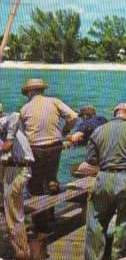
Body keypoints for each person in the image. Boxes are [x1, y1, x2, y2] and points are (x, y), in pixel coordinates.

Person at [84, 103, 126, 260]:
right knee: (125, 222)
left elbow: (91, 159)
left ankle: (94, 257)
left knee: (96, 220)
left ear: (115, 114)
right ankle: (118, 256)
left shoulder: (99, 131)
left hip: (104, 177)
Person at [19, 78, 78, 234]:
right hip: (54, 146)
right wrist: (65, 131)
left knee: (35, 186)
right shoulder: (54, 101)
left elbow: (21, 133)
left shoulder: (25, 108)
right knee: (51, 179)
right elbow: (73, 116)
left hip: (35, 148)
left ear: (30, 92)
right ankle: (51, 215)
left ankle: (41, 225)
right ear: (42, 90)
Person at [1, 103, 33, 259]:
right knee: (13, 212)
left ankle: (21, 253)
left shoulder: (6, 122)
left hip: (17, 169)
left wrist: (9, 139)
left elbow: (15, 115)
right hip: (12, 169)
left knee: (14, 214)